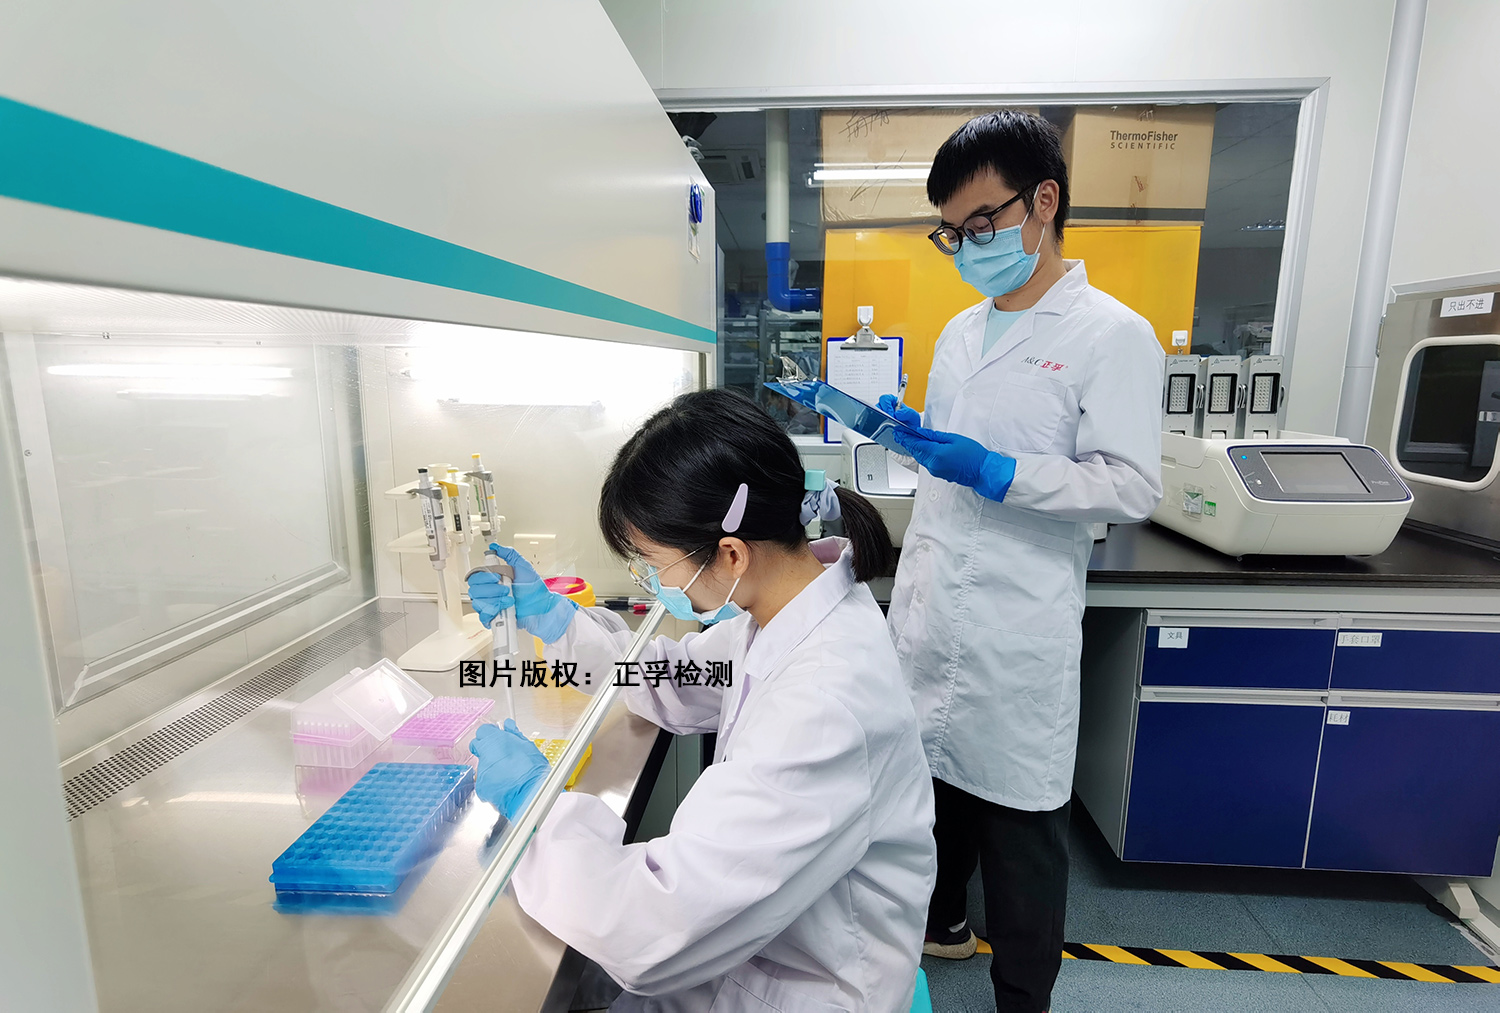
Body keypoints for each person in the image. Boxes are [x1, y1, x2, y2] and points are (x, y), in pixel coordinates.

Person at [464, 388, 937, 1012]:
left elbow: (651, 928)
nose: (650, 581)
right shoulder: (784, 611)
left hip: (805, 989)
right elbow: (672, 678)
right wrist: (557, 621)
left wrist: (536, 810)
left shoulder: (826, 703)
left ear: (732, 554)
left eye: (652, 564)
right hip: (759, 949)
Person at [877, 110, 1165, 1013]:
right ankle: (943, 927)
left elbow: (1129, 485)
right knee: (933, 800)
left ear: (1044, 201)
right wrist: (913, 439)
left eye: (981, 223)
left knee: (1020, 833)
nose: (967, 246)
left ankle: (1023, 997)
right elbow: (951, 454)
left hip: (1017, 624)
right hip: (935, 607)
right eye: (951, 232)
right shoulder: (960, 332)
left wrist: (1002, 472)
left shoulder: (1112, 334)